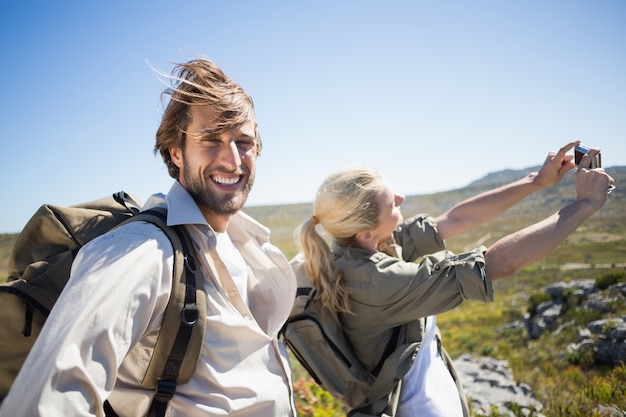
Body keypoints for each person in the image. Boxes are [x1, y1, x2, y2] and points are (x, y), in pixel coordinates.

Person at [0, 58, 297, 416]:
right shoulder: (140, 251)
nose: (233, 159)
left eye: (244, 141)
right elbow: (44, 402)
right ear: (176, 153)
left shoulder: (244, 243)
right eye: (211, 139)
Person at [292, 141, 614, 417]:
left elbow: (456, 218)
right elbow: (497, 265)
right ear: (365, 230)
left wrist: (536, 181)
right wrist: (584, 204)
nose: (402, 198)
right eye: (392, 201)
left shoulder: (356, 247)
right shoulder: (376, 280)